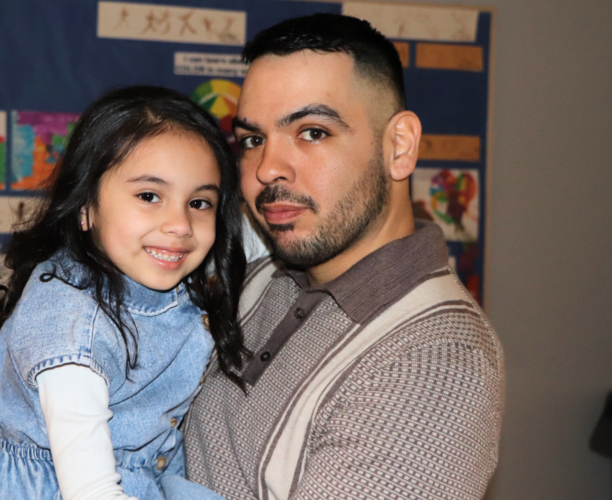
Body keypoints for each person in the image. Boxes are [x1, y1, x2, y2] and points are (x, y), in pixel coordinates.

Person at [184, 13, 505, 500]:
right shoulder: (262, 268)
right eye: (253, 140)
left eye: (313, 132)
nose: (268, 168)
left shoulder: (434, 361)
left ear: (399, 146)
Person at [0, 86, 247, 500]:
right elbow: (92, 492)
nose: (180, 225)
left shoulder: (147, 270)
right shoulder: (71, 329)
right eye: (149, 196)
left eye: (200, 203)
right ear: (85, 206)